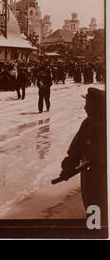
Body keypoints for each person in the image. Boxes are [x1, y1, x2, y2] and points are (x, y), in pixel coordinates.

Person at [59, 88, 107, 225]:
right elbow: (76, 149)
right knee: (93, 211)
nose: (85, 107)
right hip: (91, 179)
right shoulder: (87, 124)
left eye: (88, 104)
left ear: (98, 106)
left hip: (104, 178)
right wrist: (68, 166)